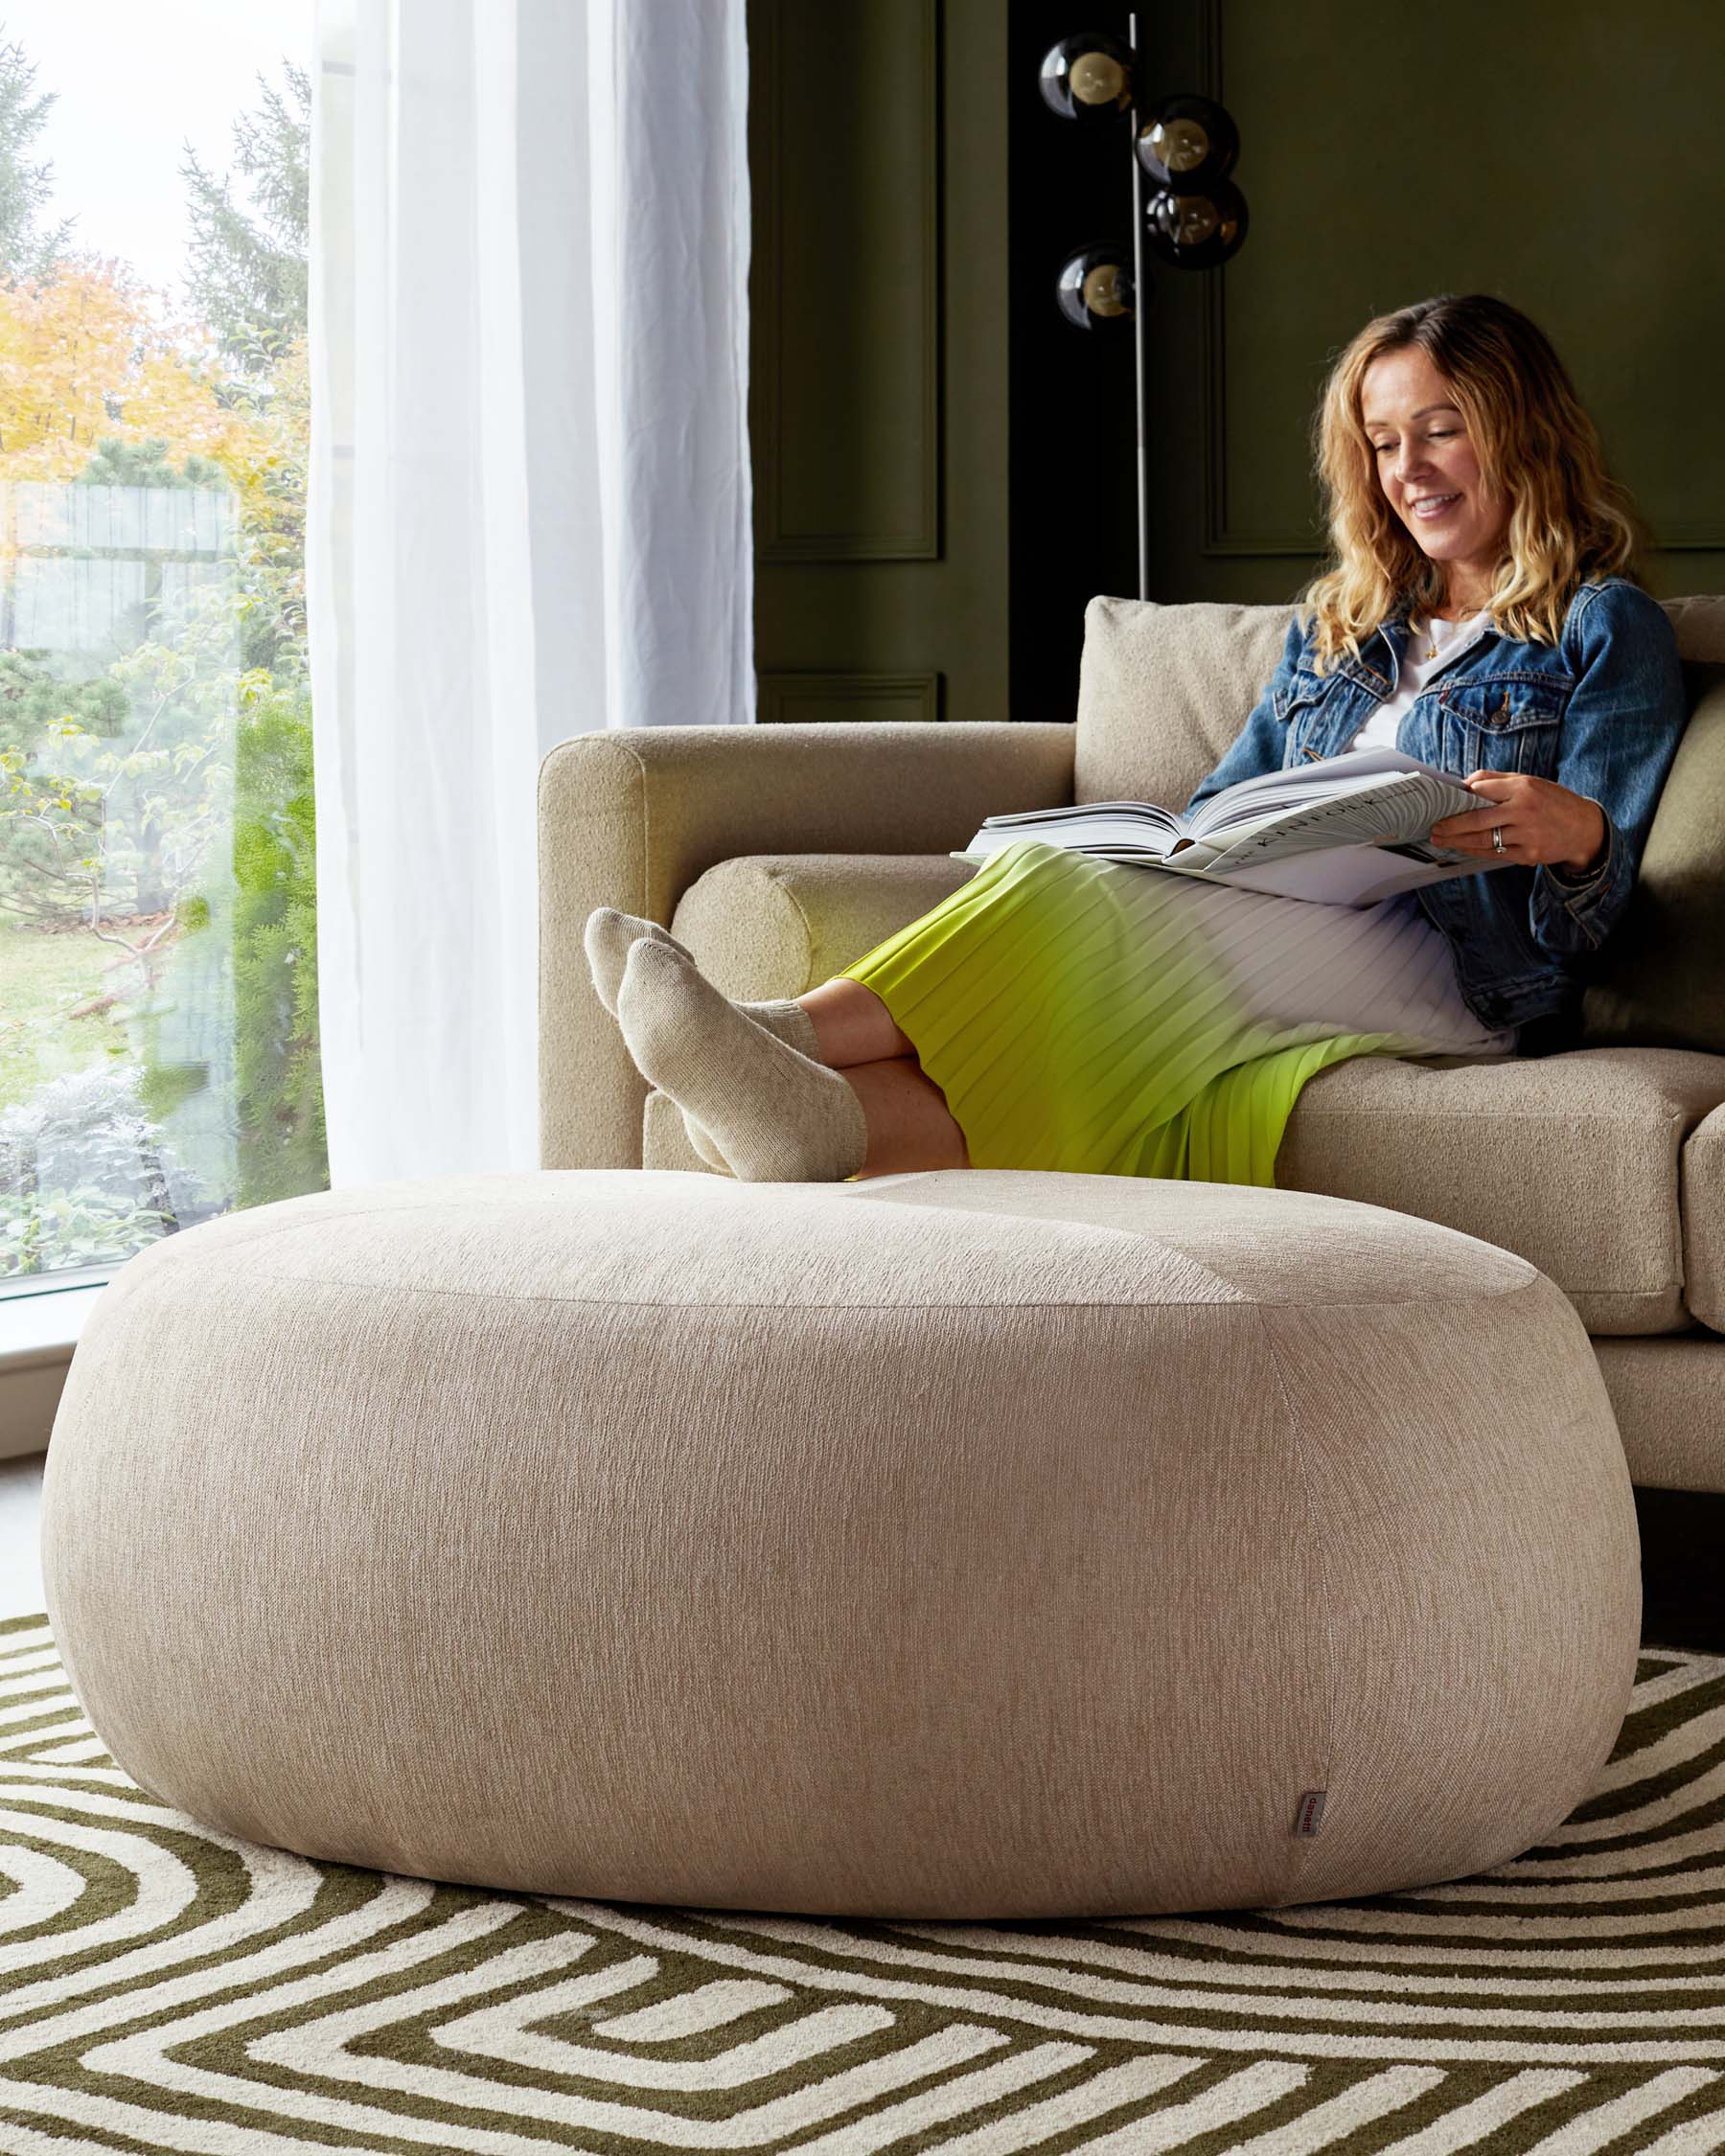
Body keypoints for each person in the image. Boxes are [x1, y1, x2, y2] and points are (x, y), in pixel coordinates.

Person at [586, 293, 1689, 1186]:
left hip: (1465, 975)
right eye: (1386, 442)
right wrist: (1185, 842)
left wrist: (1578, 836)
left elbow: (1590, 921)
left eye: (1442, 428)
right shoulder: (1343, 627)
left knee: (1074, 912)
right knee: (1072, 906)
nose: (1409, 470)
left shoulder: (1604, 625)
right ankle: (818, 1130)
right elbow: (1229, 809)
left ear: (1521, 426)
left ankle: (772, 1034)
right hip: (1298, 915)